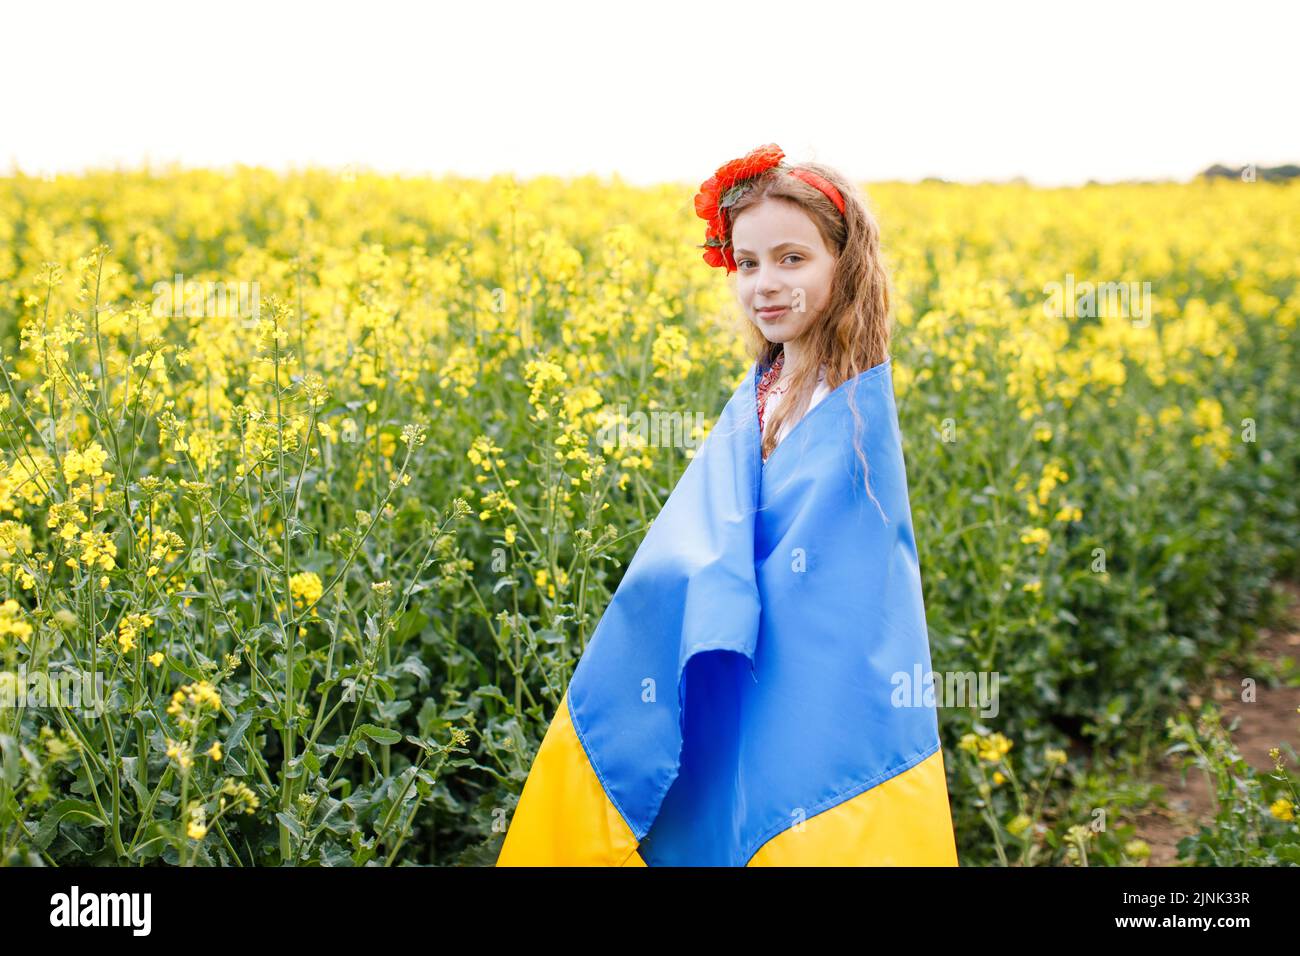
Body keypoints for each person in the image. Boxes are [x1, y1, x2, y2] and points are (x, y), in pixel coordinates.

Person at [498, 144, 957, 866]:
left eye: (792, 260)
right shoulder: (765, 388)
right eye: (747, 264)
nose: (764, 285)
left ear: (847, 265)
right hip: (732, 669)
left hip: (800, 700)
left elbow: (839, 594)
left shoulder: (851, 407)